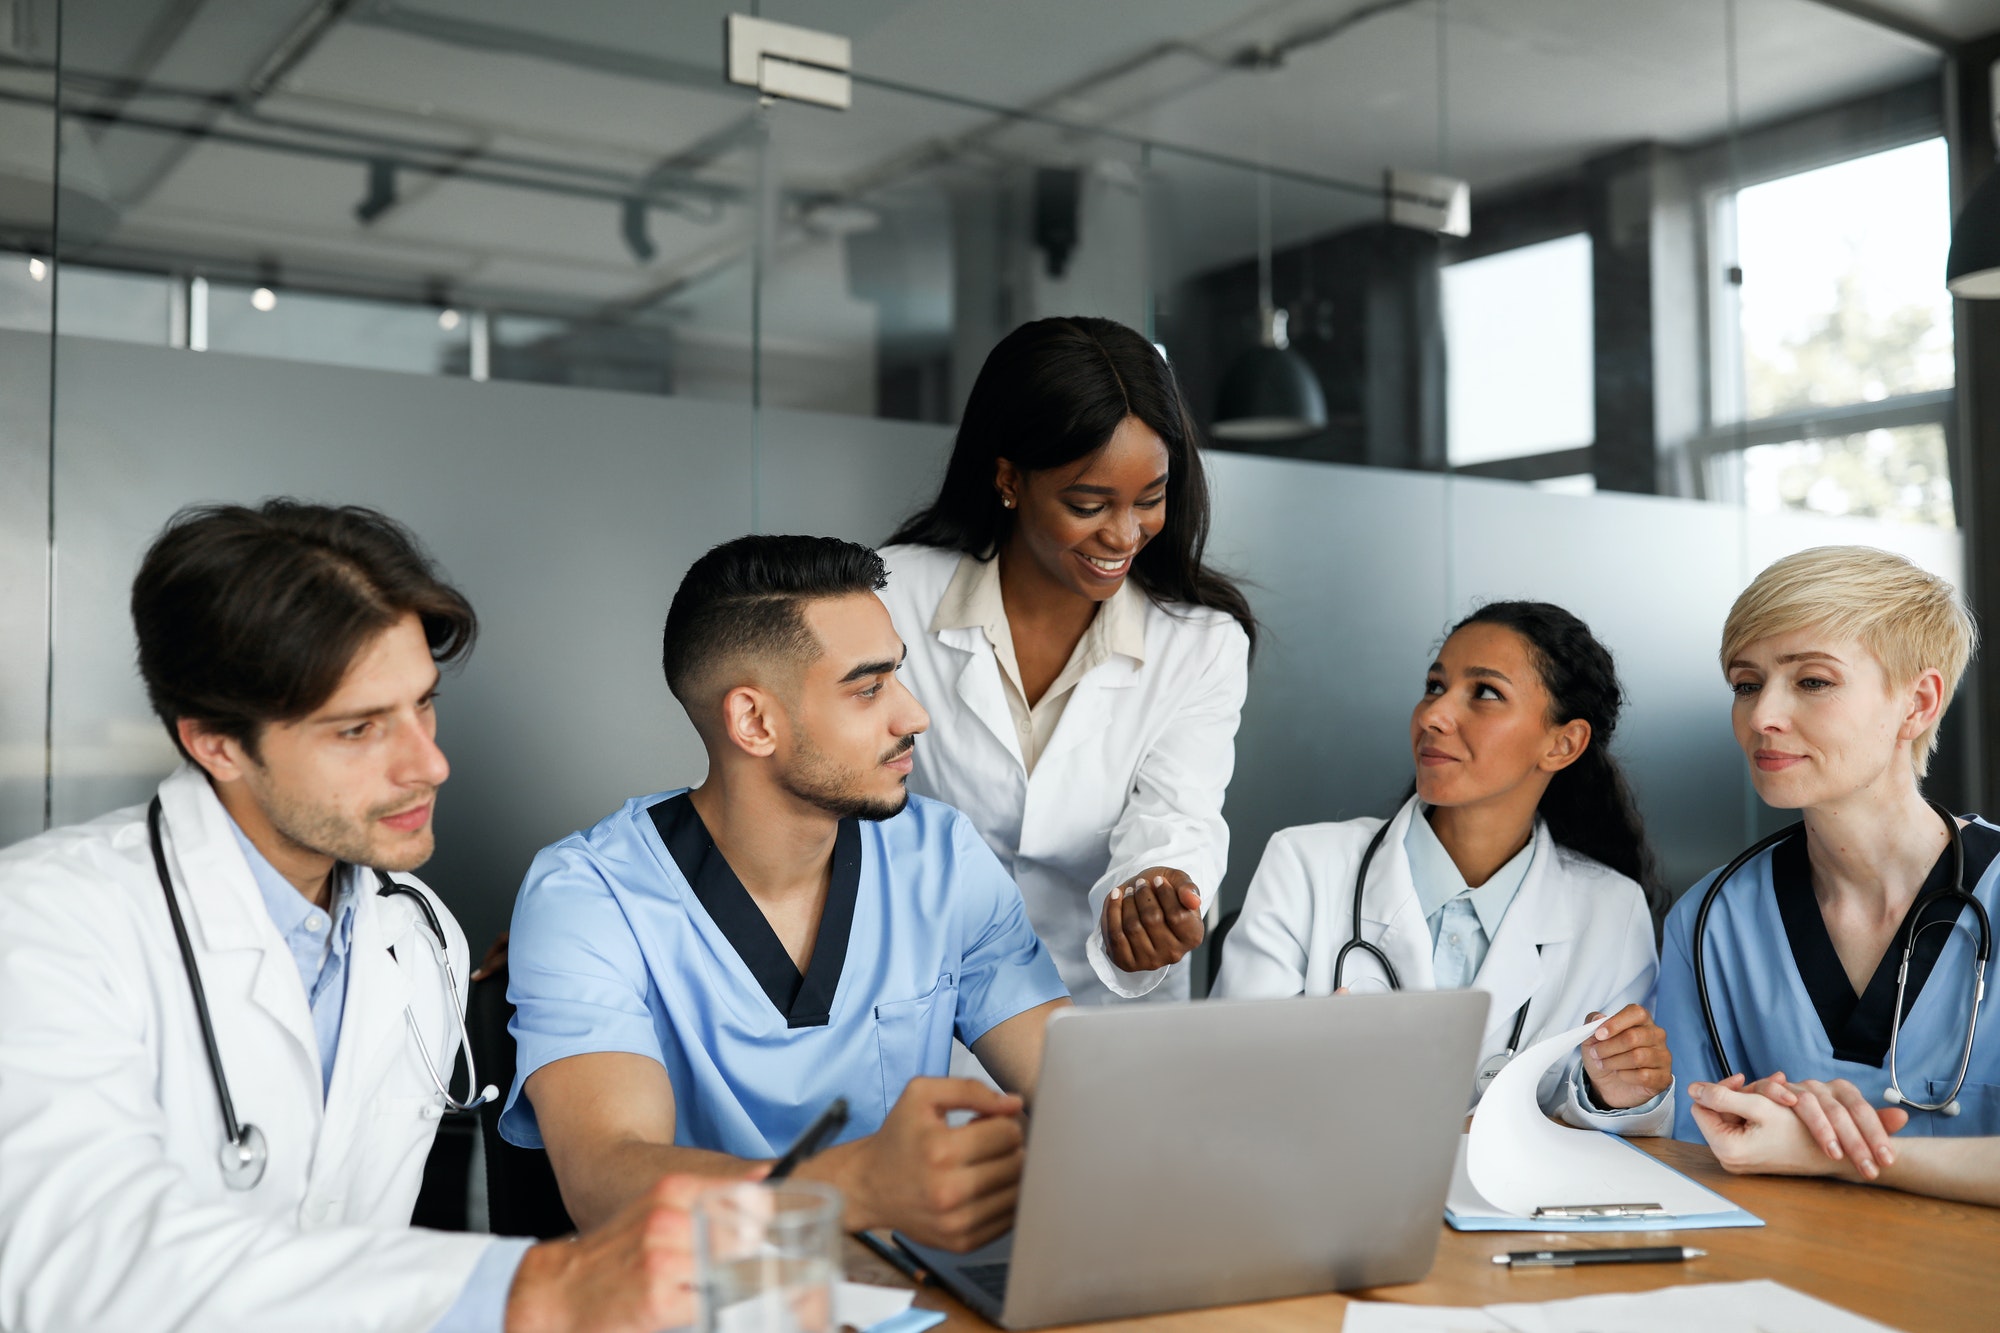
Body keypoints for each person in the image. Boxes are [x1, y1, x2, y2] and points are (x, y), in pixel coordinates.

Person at [0, 501, 712, 1333]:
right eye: (360, 728)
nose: (430, 762)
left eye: (424, 704)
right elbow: (82, 1260)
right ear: (216, 743)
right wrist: (537, 1286)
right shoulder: (43, 922)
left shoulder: (420, 935)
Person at [499, 535, 1071, 1254]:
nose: (913, 715)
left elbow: (1080, 1093)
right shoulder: (588, 897)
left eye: (897, 677)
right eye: (868, 689)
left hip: (915, 1300)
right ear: (754, 722)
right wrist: (852, 1187)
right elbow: (604, 1178)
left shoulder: (941, 856)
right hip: (700, 1305)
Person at [879, 316, 1254, 1006]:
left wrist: (1156, 894)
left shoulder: (1201, 644)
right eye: (1088, 504)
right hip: (917, 1002)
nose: (1123, 533)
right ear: (1009, 480)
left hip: (1102, 1015)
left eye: (1151, 499)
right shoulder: (889, 598)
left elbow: (1180, 815)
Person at [1214, 601, 1674, 1133]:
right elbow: (1230, 1086)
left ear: (1562, 743)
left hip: (1515, 1215)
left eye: (1484, 693)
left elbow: (1623, 1136)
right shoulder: (1305, 864)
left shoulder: (1610, 910)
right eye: (1435, 686)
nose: (1433, 715)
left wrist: (1619, 1093)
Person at [1655, 545, 2000, 1160]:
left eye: (1813, 681)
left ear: (1917, 704)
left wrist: (1826, 1156)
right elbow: (1692, 1153)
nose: (1762, 715)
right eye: (1746, 683)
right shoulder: (1709, 919)